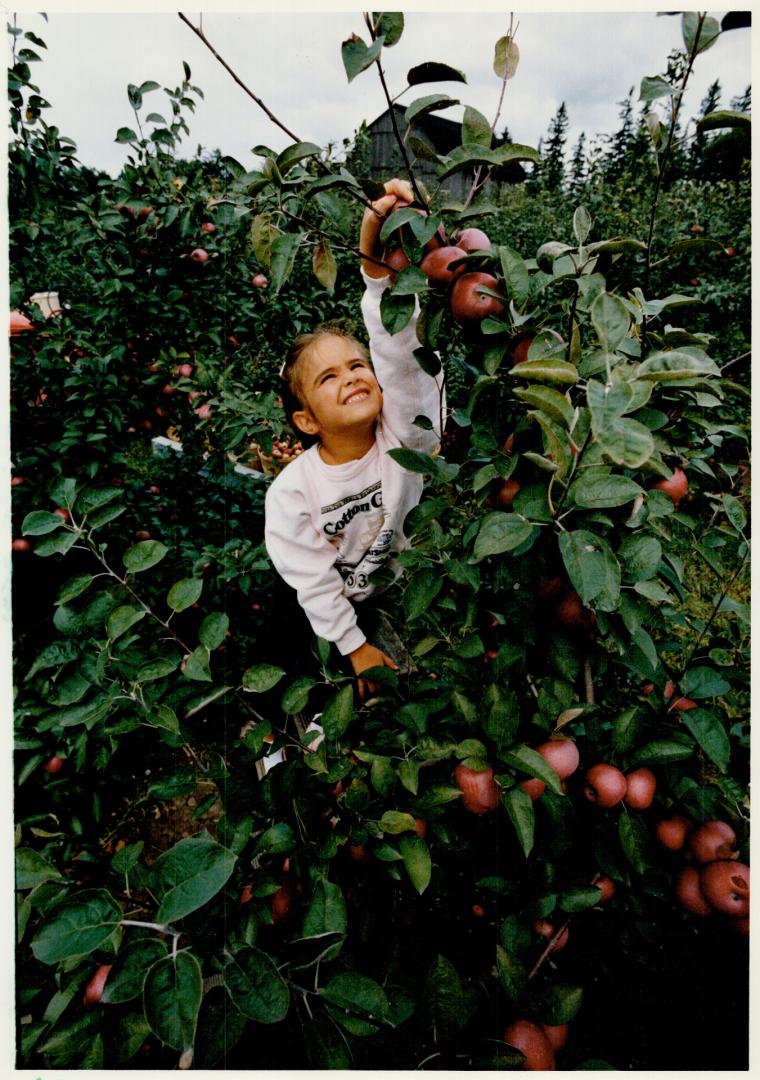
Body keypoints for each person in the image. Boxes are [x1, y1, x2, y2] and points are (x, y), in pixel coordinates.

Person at [264, 178, 444, 698]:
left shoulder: (403, 441)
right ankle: (287, 743)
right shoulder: (293, 492)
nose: (351, 378)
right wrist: (352, 644)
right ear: (306, 421)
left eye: (356, 365)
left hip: (383, 591)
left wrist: (379, 271)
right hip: (313, 600)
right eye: (328, 378)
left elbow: (401, 358)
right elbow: (315, 584)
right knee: (297, 673)